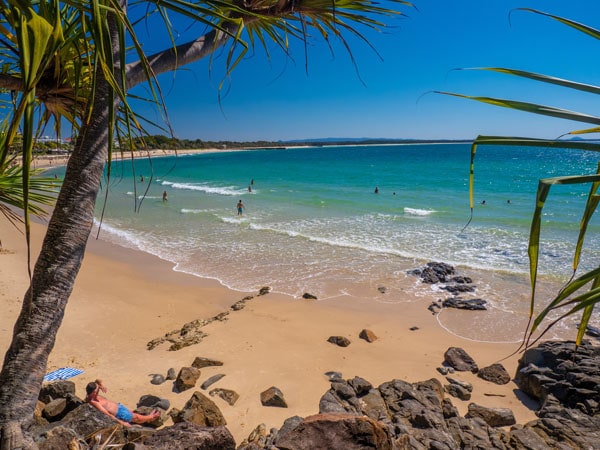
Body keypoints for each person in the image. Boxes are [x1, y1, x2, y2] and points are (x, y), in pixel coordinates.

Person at [85, 379, 160, 427]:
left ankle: (147, 419)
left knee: (134, 413)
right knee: (137, 418)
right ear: (94, 392)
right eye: (98, 389)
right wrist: (121, 423)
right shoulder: (94, 402)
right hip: (120, 414)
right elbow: (108, 415)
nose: (99, 390)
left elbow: (98, 381)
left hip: (119, 407)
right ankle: (151, 417)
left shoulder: (90, 395)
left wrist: (101, 386)